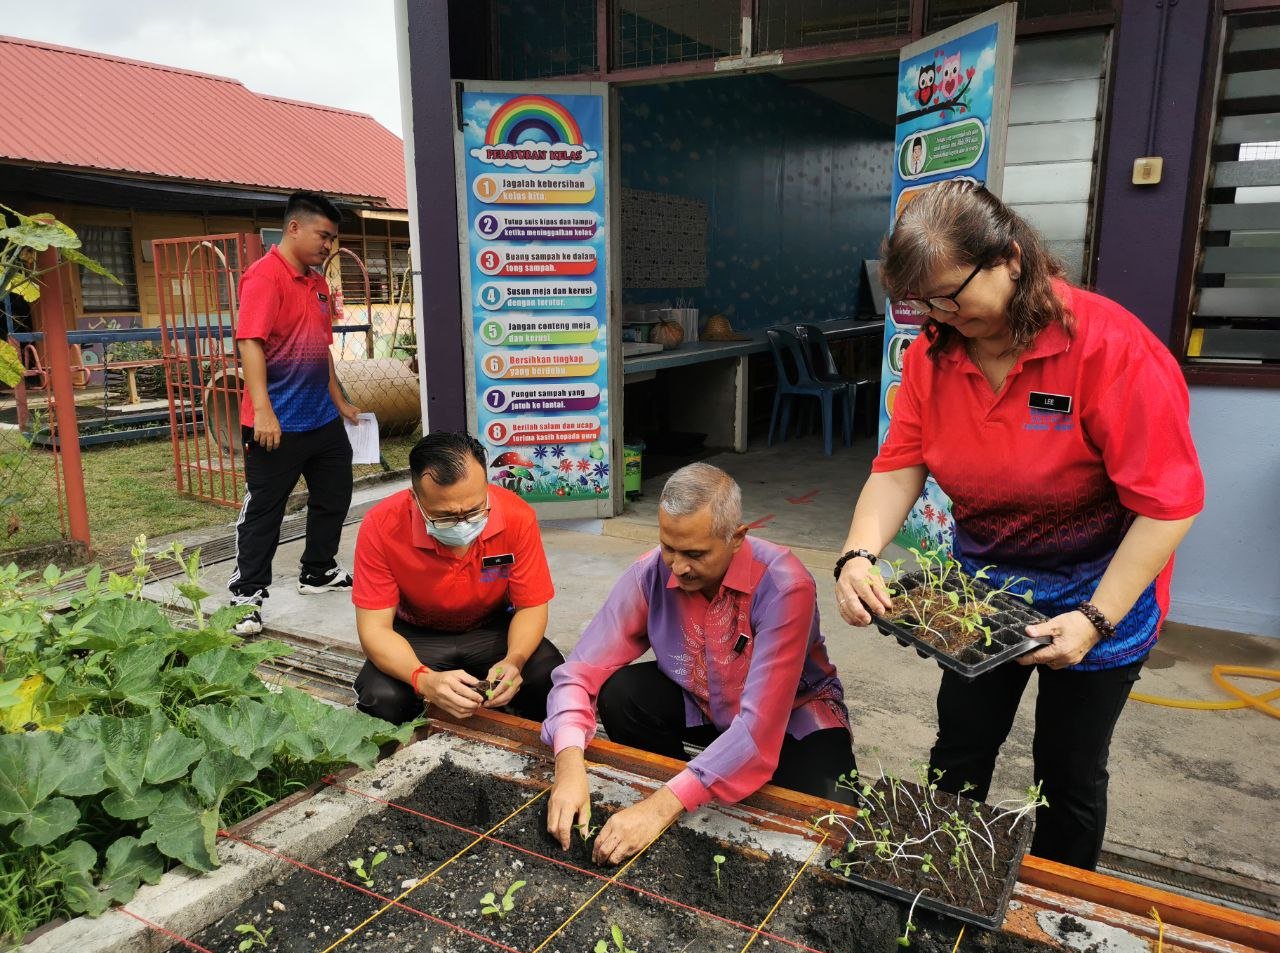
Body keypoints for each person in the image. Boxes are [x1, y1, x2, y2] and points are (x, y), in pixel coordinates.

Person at [834, 179, 1203, 870]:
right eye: (923, 304)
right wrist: (858, 554)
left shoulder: (1109, 347)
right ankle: (938, 882)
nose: (939, 315)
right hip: (985, 588)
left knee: (1067, 773)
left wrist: (1096, 618)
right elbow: (899, 466)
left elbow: (1169, 504)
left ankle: (1060, 911)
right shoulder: (933, 352)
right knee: (961, 749)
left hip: (1099, 587)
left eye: (952, 294)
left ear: (1009, 257)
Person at [543, 463, 854, 865]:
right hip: (703, 700)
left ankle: (677, 795)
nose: (678, 567)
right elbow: (578, 673)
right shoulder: (652, 572)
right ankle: (679, 788)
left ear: (737, 537)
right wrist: (568, 765)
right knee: (622, 693)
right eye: (668, 547)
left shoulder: (784, 586)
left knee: (831, 821)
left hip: (793, 717)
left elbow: (759, 729)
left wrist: (658, 809)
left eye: (695, 554)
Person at [352, 431, 564, 724]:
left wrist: (514, 661)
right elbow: (374, 629)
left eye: (476, 510)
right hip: (417, 635)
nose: (463, 524)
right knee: (382, 699)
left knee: (548, 677)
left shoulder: (517, 517)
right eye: (446, 516)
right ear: (415, 499)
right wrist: (423, 679)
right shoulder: (381, 525)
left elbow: (531, 606)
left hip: (491, 629)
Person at [228, 191, 362, 636]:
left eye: (332, 238)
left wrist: (339, 400)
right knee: (265, 509)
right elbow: (250, 341)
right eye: (324, 235)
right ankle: (246, 595)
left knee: (335, 494)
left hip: (321, 418)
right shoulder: (264, 278)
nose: (328, 245)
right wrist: (262, 410)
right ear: (294, 228)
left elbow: (319, 348)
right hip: (276, 425)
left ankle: (318, 570)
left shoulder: (318, 282)